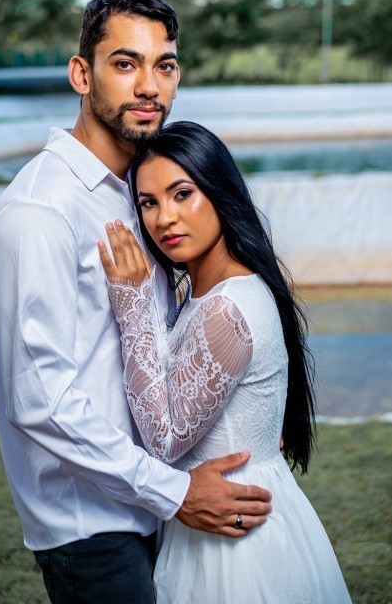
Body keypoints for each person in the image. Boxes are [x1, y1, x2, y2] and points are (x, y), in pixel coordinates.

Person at [0, 0, 272, 604]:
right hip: (91, 525)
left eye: (164, 66)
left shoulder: (140, 191)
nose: (149, 86)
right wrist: (174, 491)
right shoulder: (39, 210)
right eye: (125, 63)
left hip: (153, 503)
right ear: (81, 74)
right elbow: (39, 400)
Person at [99, 120, 352, 603]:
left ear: (219, 192)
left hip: (234, 539)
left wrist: (132, 306)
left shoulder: (228, 307)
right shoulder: (207, 293)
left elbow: (165, 440)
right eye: (148, 202)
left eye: (182, 194)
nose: (164, 219)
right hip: (217, 513)